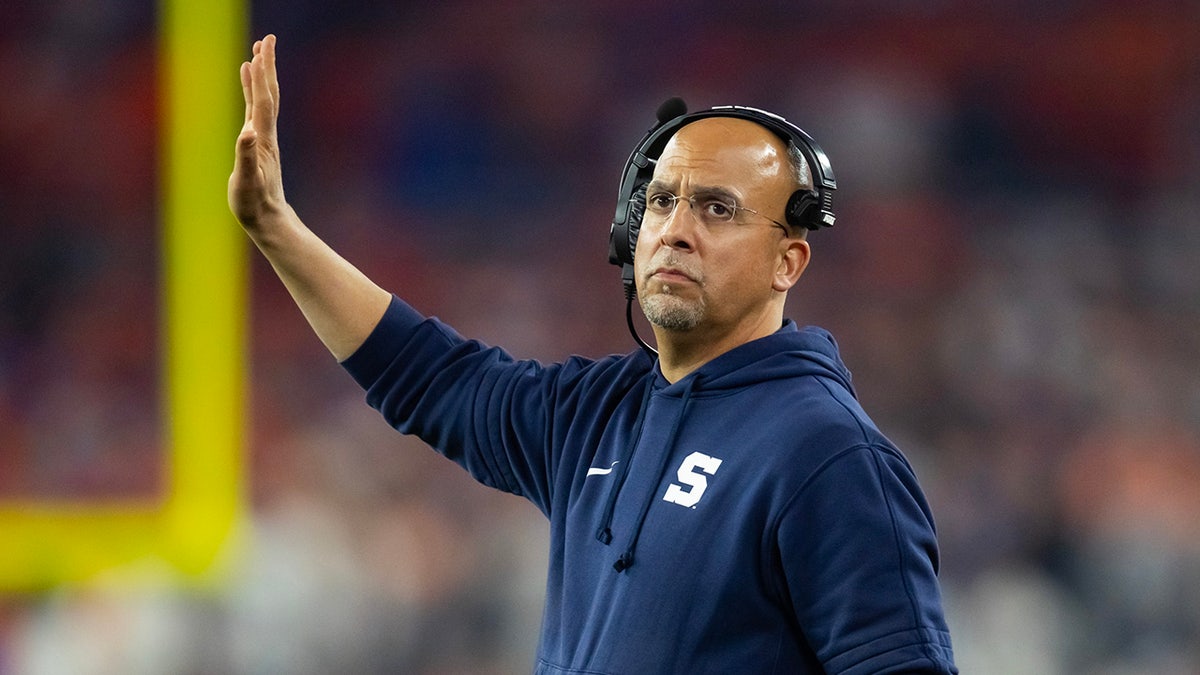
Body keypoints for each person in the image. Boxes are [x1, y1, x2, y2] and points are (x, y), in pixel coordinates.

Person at [229, 34, 958, 675]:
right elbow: (426, 375)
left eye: (717, 208)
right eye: (661, 201)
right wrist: (277, 229)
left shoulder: (827, 455)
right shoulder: (597, 415)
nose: (674, 229)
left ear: (788, 261)